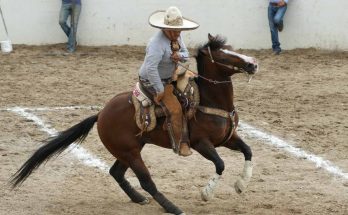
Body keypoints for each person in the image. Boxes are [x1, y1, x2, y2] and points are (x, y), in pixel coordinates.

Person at [138, 6, 199, 156]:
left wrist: (179, 56)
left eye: (179, 31)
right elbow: (151, 69)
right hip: (152, 80)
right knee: (175, 109)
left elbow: (186, 54)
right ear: (164, 29)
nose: (178, 34)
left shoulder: (176, 36)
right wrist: (159, 89)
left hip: (171, 76)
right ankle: (180, 143)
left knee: (193, 90)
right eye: (175, 31)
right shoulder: (156, 44)